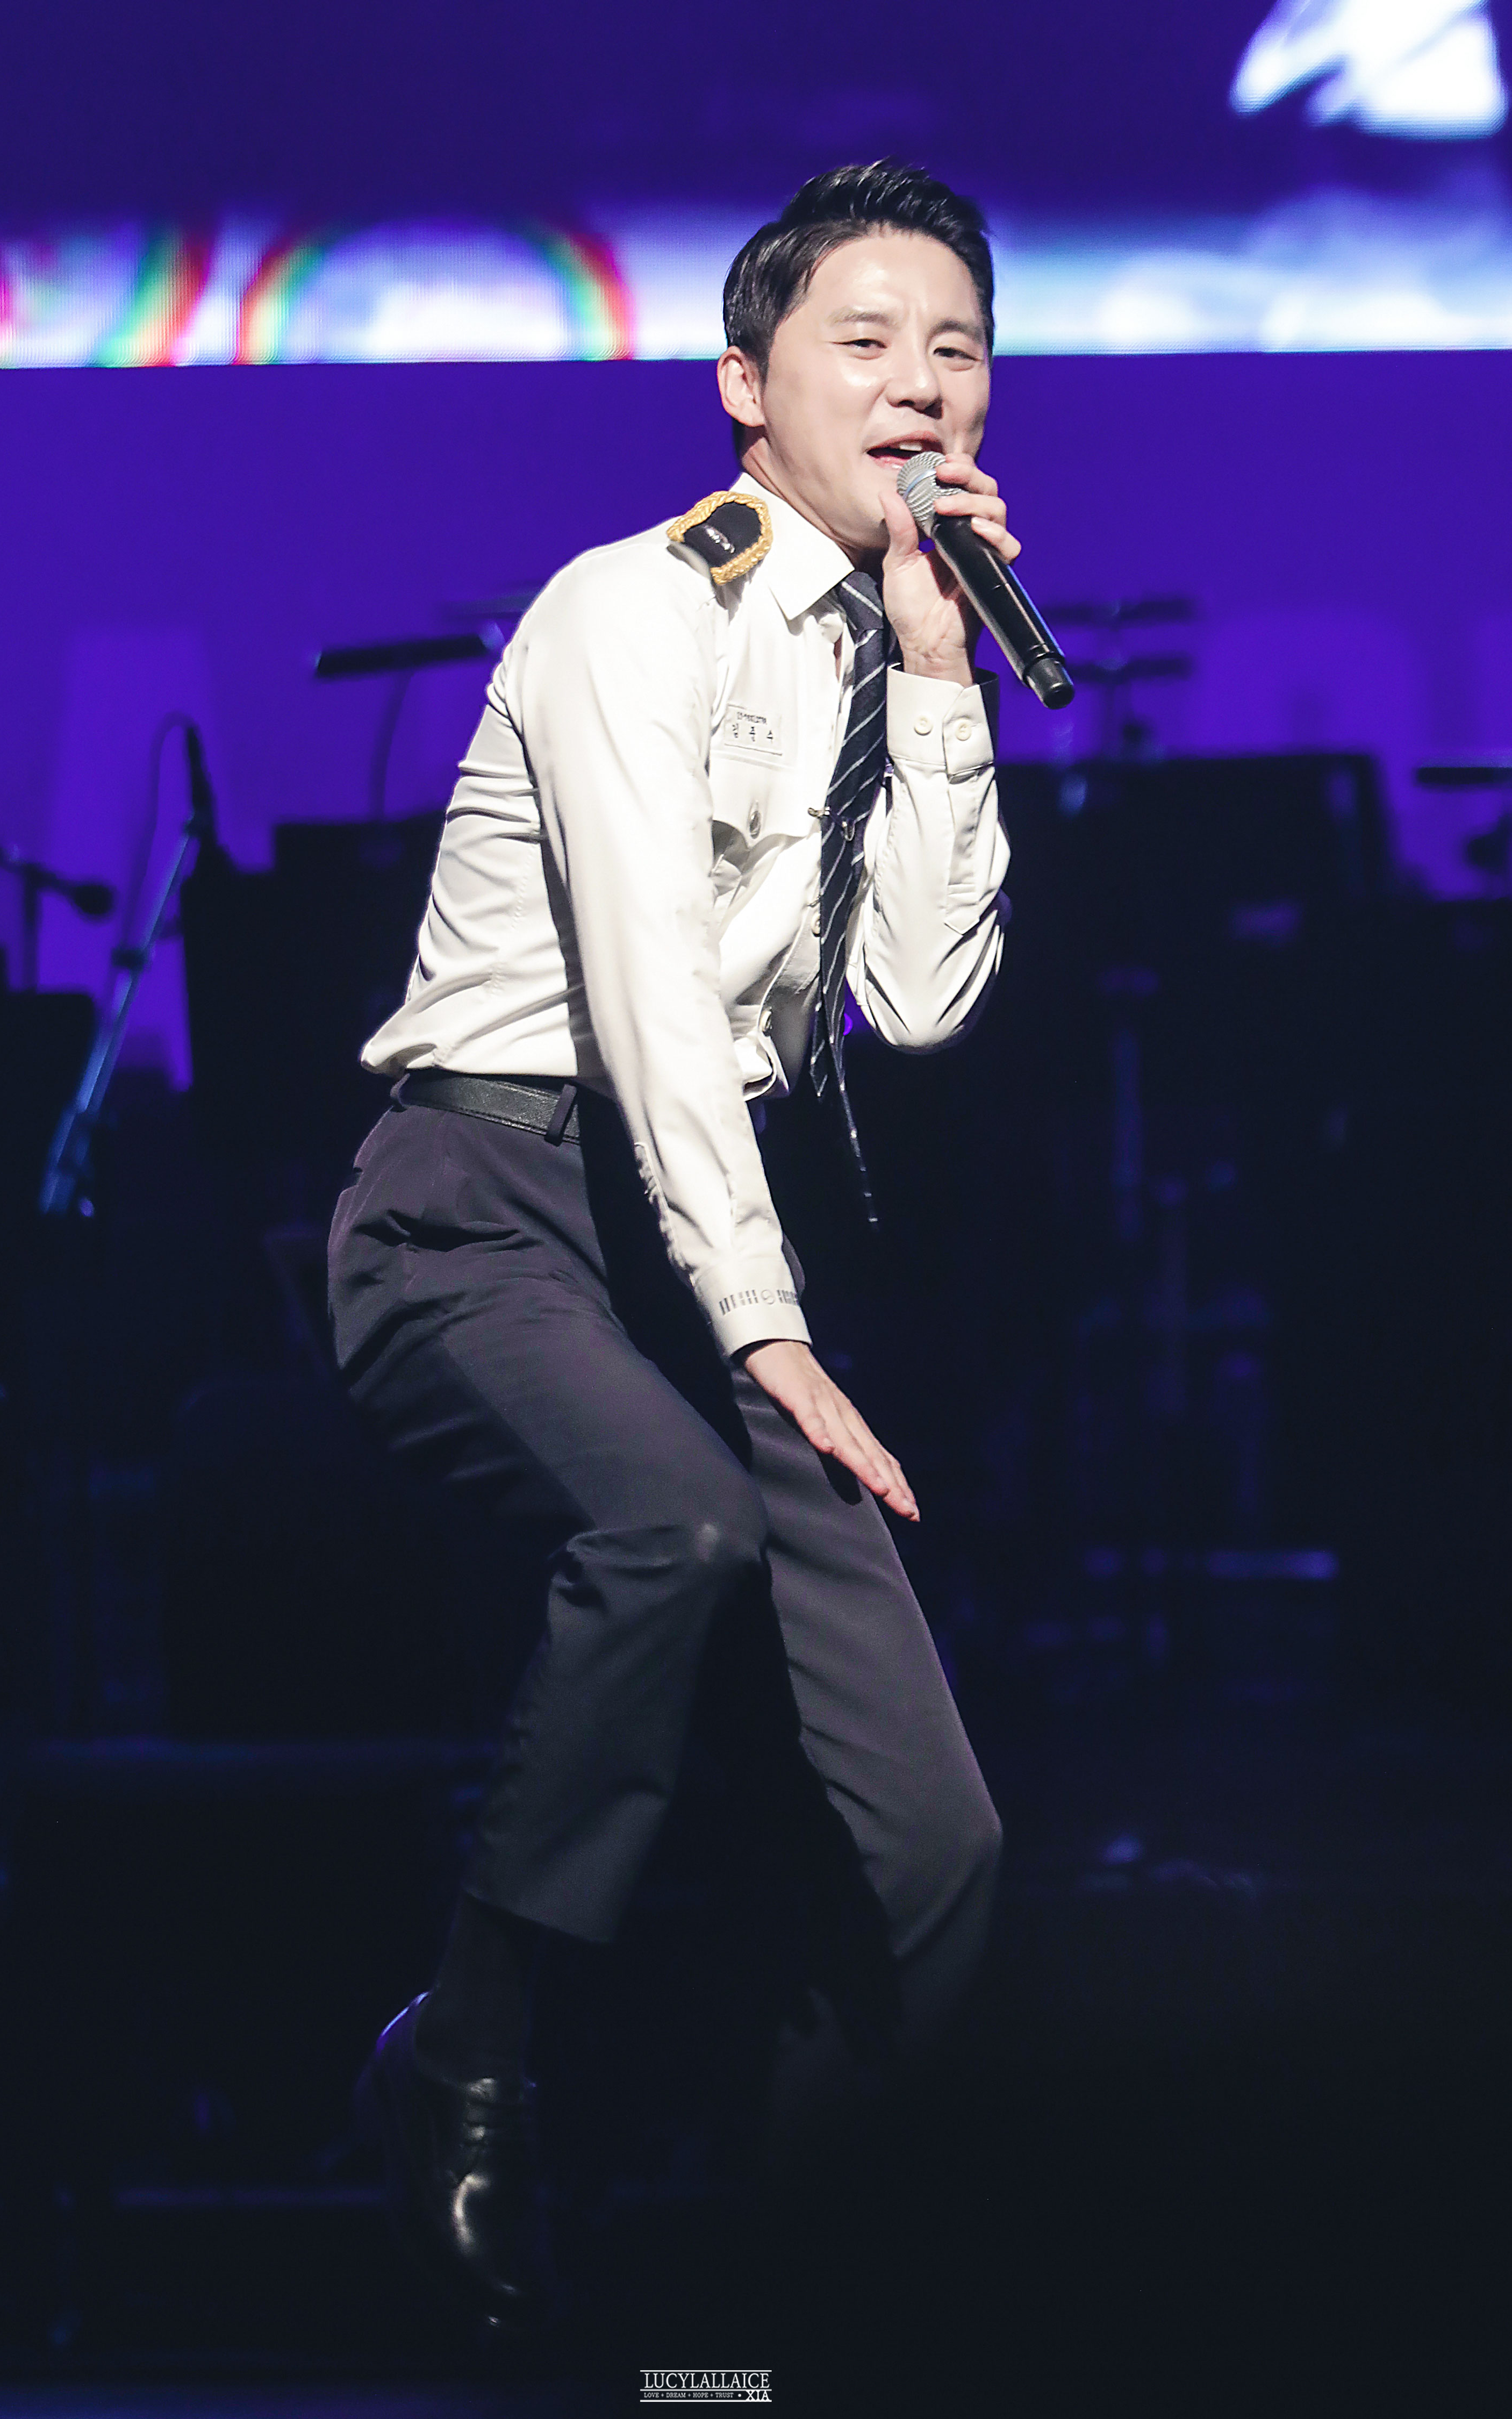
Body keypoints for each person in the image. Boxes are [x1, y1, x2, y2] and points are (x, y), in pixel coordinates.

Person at [327, 159, 1014, 2337]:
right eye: (865, 341)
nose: (919, 385)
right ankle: (459, 2056)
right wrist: (771, 1331)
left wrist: (941, 678)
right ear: (744, 383)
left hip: (690, 1244)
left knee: (939, 1845)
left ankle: (791, 2305)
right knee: (681, 1529)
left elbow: (914, 1005)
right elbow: (647, 1013)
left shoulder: (882, 642)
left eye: (956, 348)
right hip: (487, 1206)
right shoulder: (628, 611)